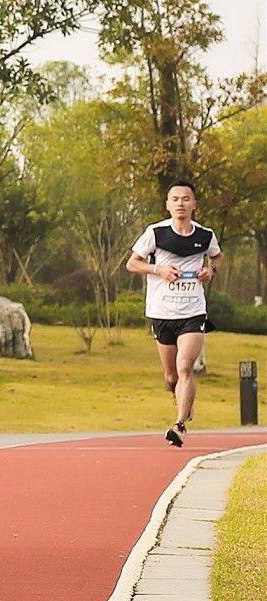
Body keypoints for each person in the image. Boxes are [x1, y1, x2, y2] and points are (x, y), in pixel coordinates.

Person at [126, 182, 222, 447]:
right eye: (175, 199)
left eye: (186, 199)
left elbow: (217, 258)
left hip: (193, 310)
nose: (180, 203)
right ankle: (181, 400)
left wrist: (210, 271)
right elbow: (132, 263)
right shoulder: (155, 233)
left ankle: (179, 426)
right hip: (161, 311)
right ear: (168, 205)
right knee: (171, 376)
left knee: (185, 367)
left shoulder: (205, 235)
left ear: (194, 204)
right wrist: (159, 270)